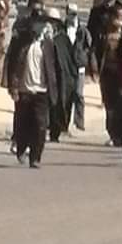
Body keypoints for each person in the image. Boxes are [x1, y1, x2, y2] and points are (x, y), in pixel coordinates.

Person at [4, 13, 60, 168]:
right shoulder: (21, 43)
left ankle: (35, 158)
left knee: (40, 127)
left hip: (41, 91)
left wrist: (54, 91)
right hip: (24, 91)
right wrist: (13, 87)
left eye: (44, 24)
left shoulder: (48, 45)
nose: (42, 27)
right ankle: (21, 149)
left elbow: (54, 69)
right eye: (39, 24)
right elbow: (13, 66)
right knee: (23, 124)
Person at [45, 8, 77, 143]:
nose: (49, 24)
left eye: (52, 22)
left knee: (59, 104)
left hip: (61, 78)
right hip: (45, 77)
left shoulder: (63, 39)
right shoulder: (42, 38)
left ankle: (55, 132)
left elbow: (69, 60)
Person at [98, 6, 122, 146]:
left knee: (121, 107)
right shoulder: (105, 37)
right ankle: (113, 134)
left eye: (121, 17)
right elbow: (102, 57)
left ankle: (120, 135)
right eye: (117, 17)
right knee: (110, 107)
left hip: (121, 76)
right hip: (108, 76)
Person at [65, 3, 94, 131]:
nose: (72, 17)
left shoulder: (82, 30)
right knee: (66, 96)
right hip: (66, 67)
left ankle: (79, 122)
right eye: (70, 14)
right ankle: (64, 123)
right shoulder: (63, 28)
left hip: (79, 67)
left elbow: (89, 45)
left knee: (78, 94)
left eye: (74, 14)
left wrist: (82, 57)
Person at [88, 0, 116, 66]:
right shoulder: (96, 11)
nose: (108, 2)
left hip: (111, 41)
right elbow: (90, 27)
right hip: (98, 41)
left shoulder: (114, 12)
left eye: (110, 0)